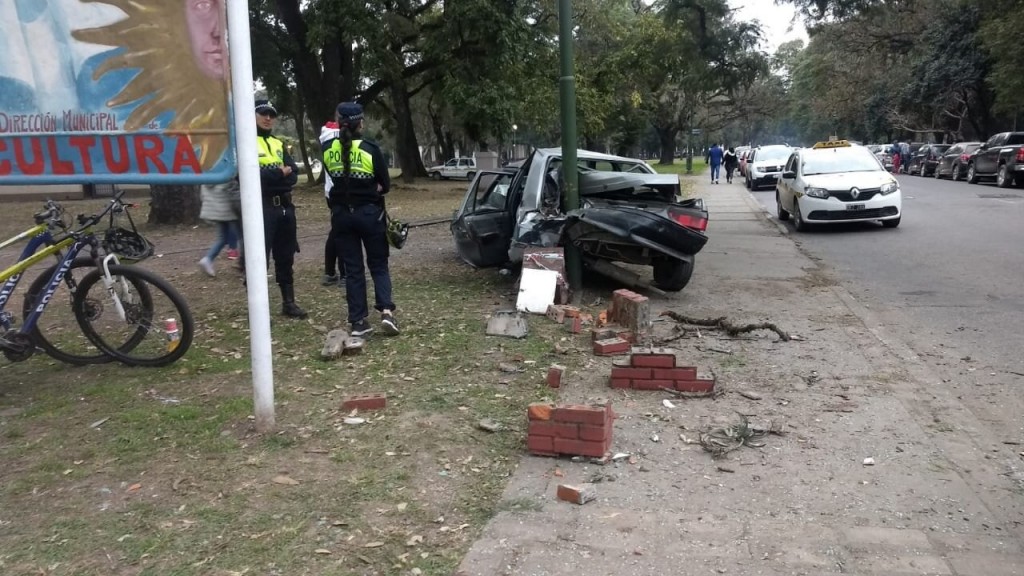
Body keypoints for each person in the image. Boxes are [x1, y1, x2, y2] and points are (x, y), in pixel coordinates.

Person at [322, 102, 397, 337]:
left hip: (341, 216)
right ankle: (386, 312)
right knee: (378, 264)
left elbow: (333, 178)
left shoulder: (327, 149)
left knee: (353, 269)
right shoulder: (370, 149)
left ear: (339, 122)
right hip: (369, 214)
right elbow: (385, 185)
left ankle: (358, 322)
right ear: (360, 124)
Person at [254, 99, 307, 319]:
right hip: (261, 208)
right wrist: (279, 173)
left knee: (285, 257)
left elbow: (293, 174)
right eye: (263, 114)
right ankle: (258, 310)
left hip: (285, 206)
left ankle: (289, 303)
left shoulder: (277, 143)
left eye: (272, 115)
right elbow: (250, 177)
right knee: (258, 259)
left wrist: (279, 175)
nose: (268, 118)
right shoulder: (245, 143)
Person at [198, 178, 242, 276]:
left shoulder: (209, 175)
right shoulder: (226, 174)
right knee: (241, 237)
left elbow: (202, 194)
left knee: (222, 238)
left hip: (217, 211)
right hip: (229, 210)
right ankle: (243, 263)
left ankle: (208, 258)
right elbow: (233, 190)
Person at [319, 120, 345, 287]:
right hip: (340, 192)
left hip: (330, 192)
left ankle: (330, 272)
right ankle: (345, 274)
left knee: (336, 232)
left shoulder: (326, 142)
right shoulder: (338, 141)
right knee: (343, 233)